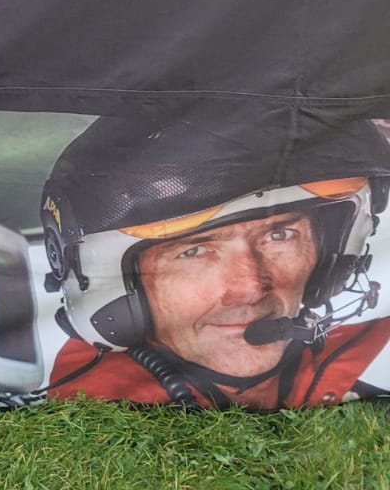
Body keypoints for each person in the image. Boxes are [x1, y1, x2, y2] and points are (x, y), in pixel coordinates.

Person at [40, 111, 390, 407]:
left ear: (333, 255)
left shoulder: (375, 355)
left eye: (279, 235)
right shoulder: (76, 403)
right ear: (116, 284)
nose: (250, 288)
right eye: (194, 251)